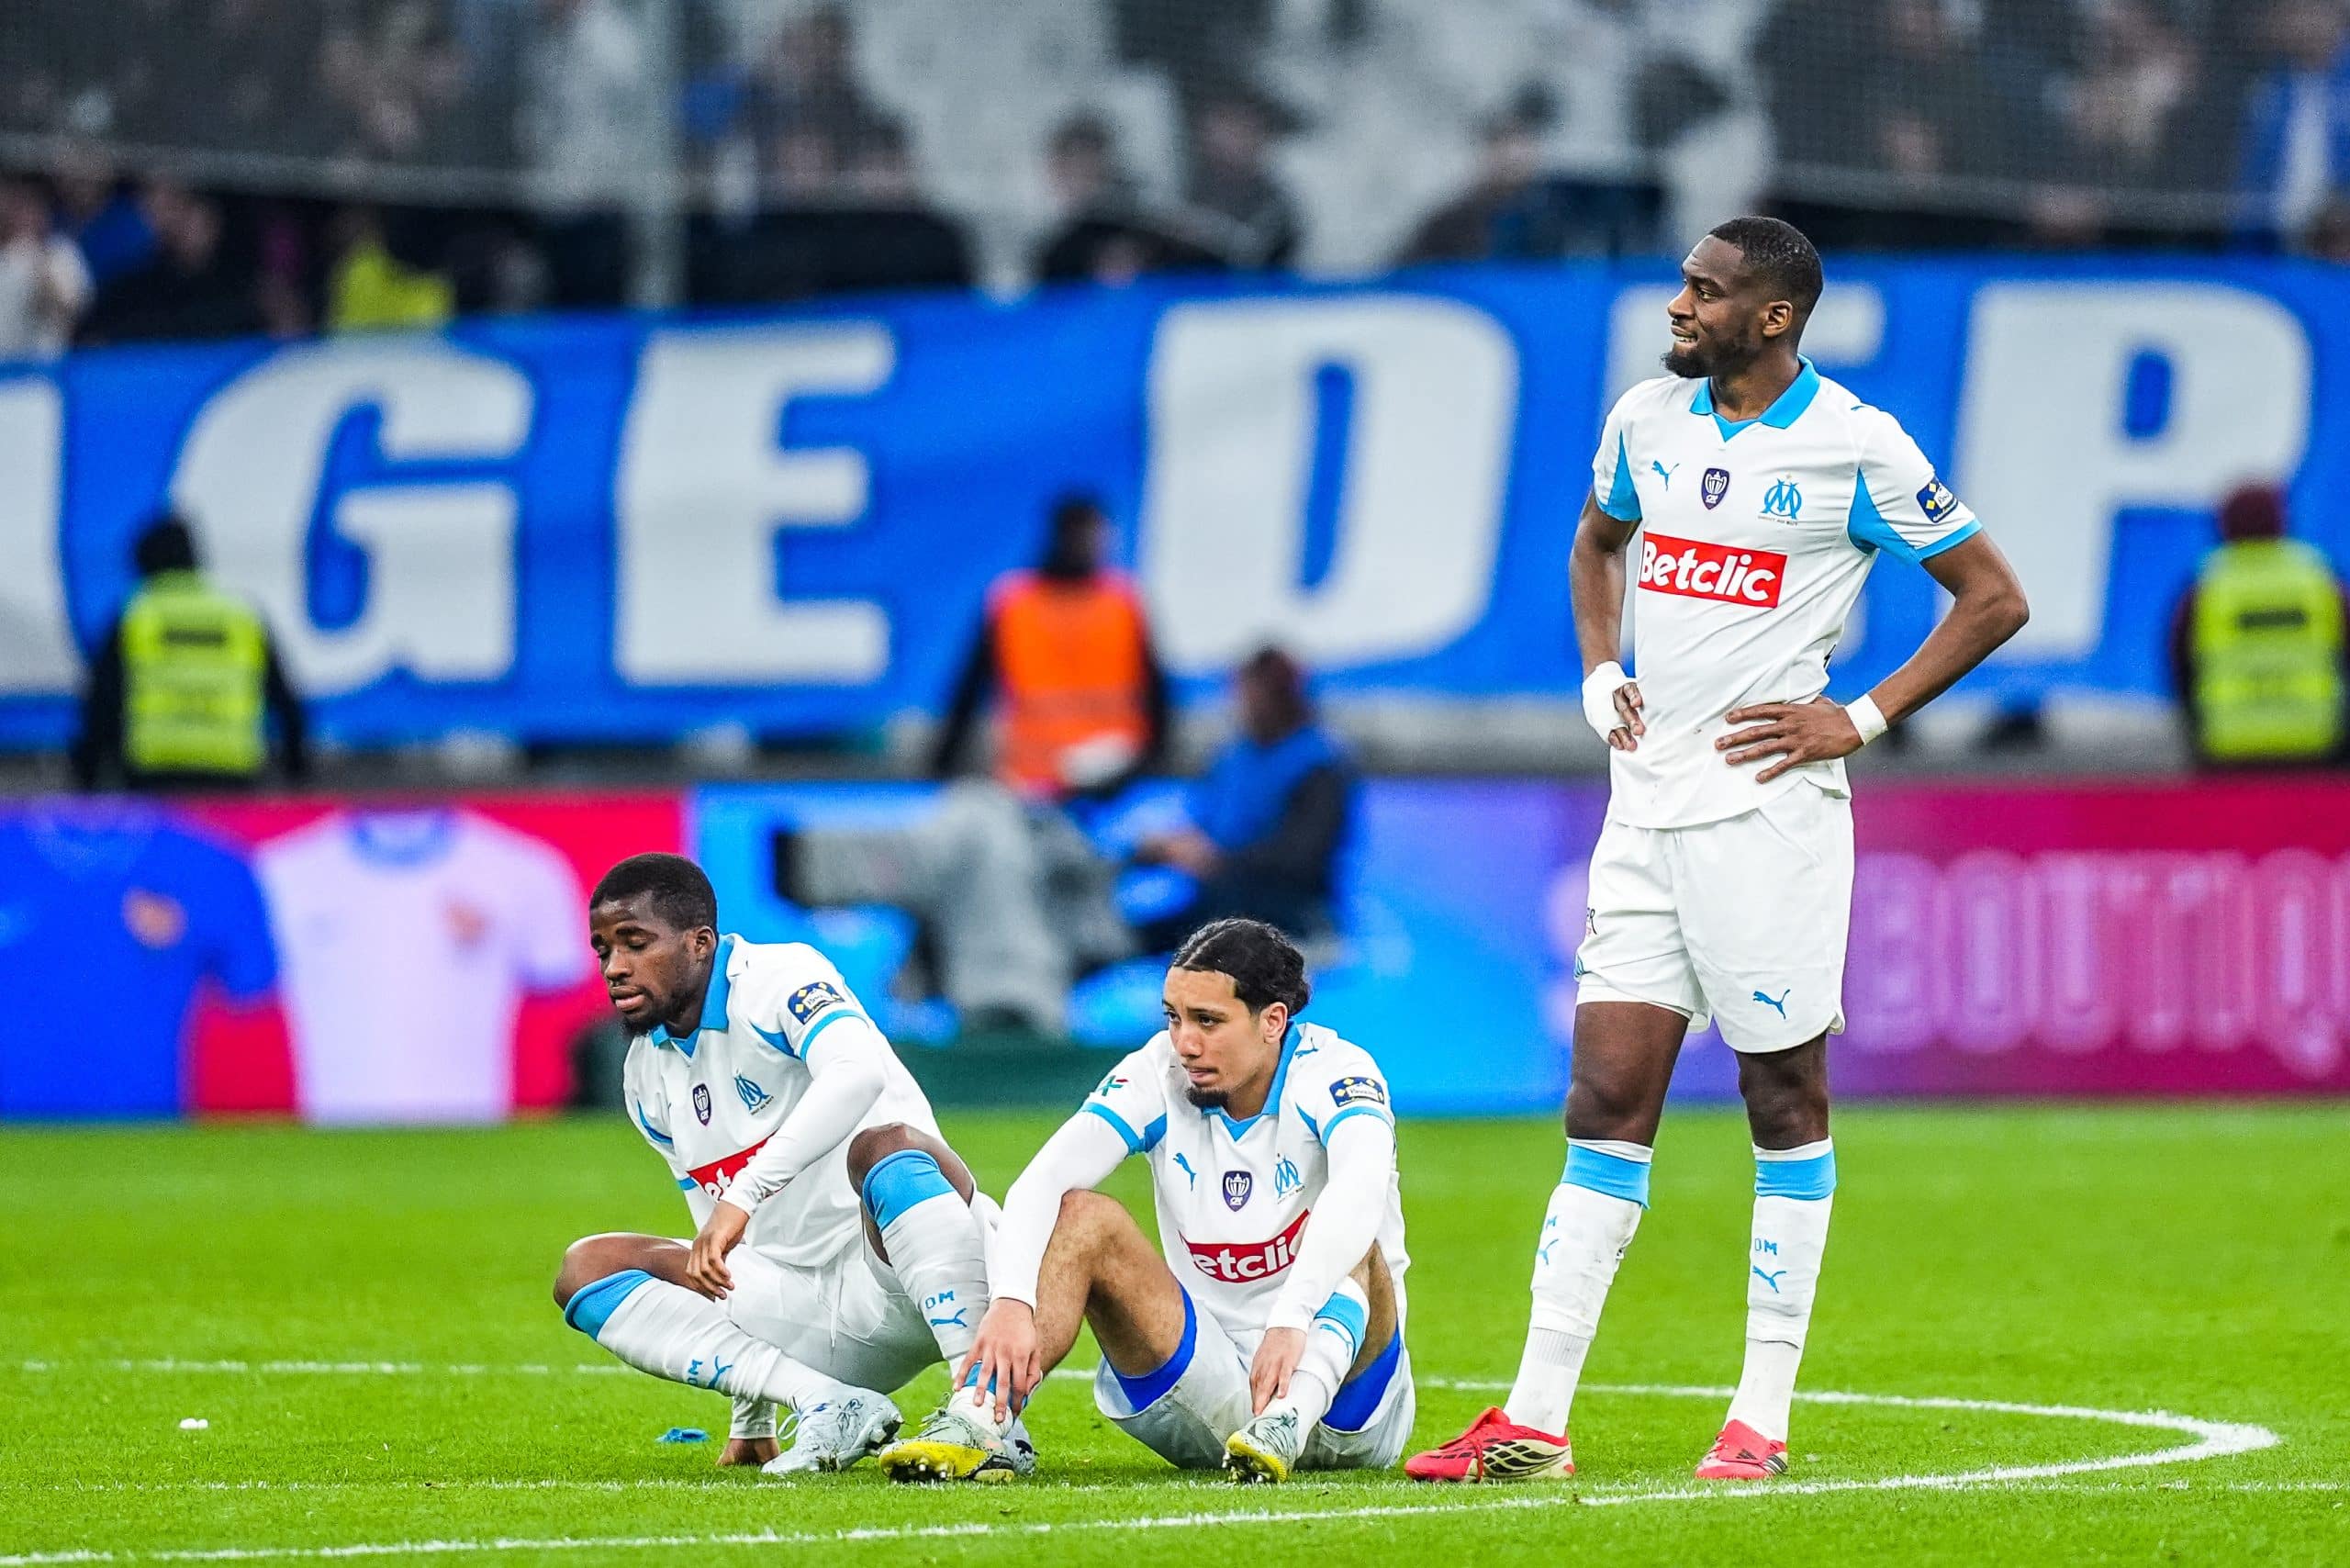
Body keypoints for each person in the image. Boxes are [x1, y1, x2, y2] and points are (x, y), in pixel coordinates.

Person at [1408, 217, 2030, 1485]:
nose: (1680, 305)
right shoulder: (1648, 419)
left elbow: (1994, 597)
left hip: (1768, 820)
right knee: (1602, 1106)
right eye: (1685, 285)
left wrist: (1857, 718)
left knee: (1781, 1103)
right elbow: (1597, 541)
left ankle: (1759, 1418)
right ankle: (1533, 1418)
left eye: (1707, 290)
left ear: (1775, 315)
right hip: (1643, 814)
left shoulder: (1853, 445)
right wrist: (1597, 672)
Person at [878, 918, 1411, 1484]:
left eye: (1208, 1021)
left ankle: (1288, 1417)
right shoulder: (1160, 1070)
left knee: (1357, 1229)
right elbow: (1042, 1180)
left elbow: (1359, 1187)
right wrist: (1012, 1302)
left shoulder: (1337, 1072)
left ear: (1272, 1022)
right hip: (1212, 1386)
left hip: (1351, 1407)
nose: (1185, 1042)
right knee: (1084, 1215)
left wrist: (1291, 1318)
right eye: (1174, 1017)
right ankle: (981, 1420)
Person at [554, 853, 1035, 1476]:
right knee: (586, 1267)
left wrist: (746, 1192)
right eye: (602, 951)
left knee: (887, 1148)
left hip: (906, 1271)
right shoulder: (645, 1076)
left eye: (634, 943)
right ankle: (826, 1404)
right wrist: (749, 1418)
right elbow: (718, 1257)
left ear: (700, 943)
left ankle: (985, 1415)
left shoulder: (781, 977)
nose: (615, 968)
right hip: (802, 1312)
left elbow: (856, 1072)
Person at [781, 495, 1168, 1035]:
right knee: (999, 888)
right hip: (1030, 788)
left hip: (1106, 798)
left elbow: (1157, 703)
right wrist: (946, 769)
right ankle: (995, 1002)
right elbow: (970, 689)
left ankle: (987, 996)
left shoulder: (1121, 605)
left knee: (1043, 903)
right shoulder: (1017, 604)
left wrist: (1133, 772)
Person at [1130, 647, 1356, 954]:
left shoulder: (1318, 766)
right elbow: (1206, 823)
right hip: (1218, 905)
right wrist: (1171, 847)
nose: (1243, 705)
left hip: (1290, 914)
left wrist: (1219, 861)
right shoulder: (1232, 758)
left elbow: (1302, 858)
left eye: (1254, 695)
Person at [72, 513, 308, 792]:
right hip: (231, 774)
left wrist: (89, 773)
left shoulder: (137, 617)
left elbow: (102, 703)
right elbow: (285, 701)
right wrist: (296, 768)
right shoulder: (241, 618)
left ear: (143, 565)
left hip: (154, 773)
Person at [2169, 483, 2346, 765]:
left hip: (2229, 750)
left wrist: (2195, 731)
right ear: (2282, 521)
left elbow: (2179, 665)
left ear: (2225, 526)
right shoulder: (2318, 579)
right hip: (2315, 746)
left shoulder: (2207, 586)